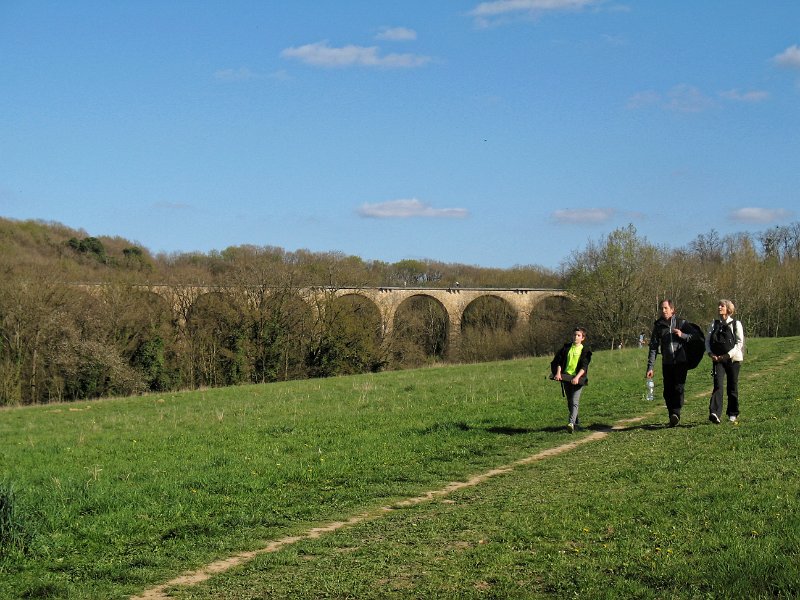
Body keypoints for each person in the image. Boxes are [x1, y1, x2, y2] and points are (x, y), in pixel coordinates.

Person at [646, 299, 695, 427]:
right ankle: (672, 416)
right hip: (667, 363)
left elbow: (694, 337)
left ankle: (676, 413)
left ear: (672, 310)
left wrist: (682, 335)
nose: (663, 311)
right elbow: (653, 347)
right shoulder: (658, 326)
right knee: (667, 390)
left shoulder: (681, 322)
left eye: (666, 308)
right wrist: (650, 367)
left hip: (680, 361)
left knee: (678, 388)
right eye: (661, 308)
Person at [705, 299, 745, 424]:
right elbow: (707, 340)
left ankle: (733, 413)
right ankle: (715, 413)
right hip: (717, 360)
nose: (719, 308)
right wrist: (710, 353)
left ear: (728, 309)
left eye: (722, 306)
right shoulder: (714, 324)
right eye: (718, 306)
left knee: (732, 386)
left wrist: (727, 355)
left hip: (733, 360)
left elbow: (739, 343)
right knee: (718, 385)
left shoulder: (736, 324)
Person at [551, 327, 592, 433]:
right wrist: (558, 373)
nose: (575, 337)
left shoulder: (585, 350)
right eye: (574, 335)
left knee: (574, 401)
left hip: (578, 379)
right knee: (570, 402)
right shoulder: (566, 348)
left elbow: (584, 366)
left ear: (583, 338)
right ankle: (576, 423)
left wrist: (577, 378)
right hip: (566, 377)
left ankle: (571, 423)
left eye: (578, 335)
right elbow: (560, 361)